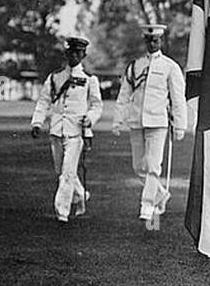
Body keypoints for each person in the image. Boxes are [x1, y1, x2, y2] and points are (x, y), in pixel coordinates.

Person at [112, 23, 187, 228]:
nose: (152, 43)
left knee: (153, 166)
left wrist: (180, 125)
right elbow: (124, 95)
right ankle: (161, 194)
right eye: (149, 40)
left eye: (156, 40)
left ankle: (147, 205)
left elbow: (178, 98)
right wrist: (118, 120)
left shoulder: (170, 66)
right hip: (137, 121)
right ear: (145, 41)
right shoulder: (135, 66)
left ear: (161, 41)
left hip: (158, 122)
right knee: (138, 167)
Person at [30, 35, 103, 224]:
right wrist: (37, 122)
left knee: (68, 172)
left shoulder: (89, 80)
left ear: (84, 54)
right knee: (60, 170)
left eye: (78, 53)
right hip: (56, 129)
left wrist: (91, 119)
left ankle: (62, 210)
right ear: (66, 53)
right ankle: (80, 194)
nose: (74, 56)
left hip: (76, 131)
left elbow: (97, 106)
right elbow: (44, 100)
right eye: (71, 52)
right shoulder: (55, 77)